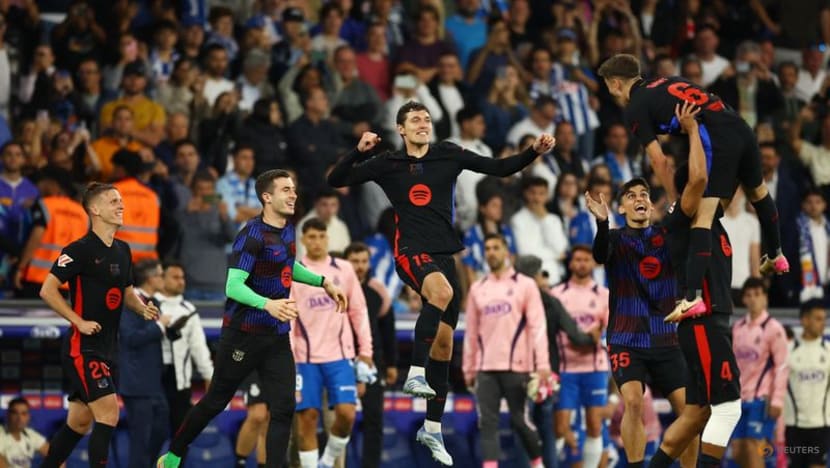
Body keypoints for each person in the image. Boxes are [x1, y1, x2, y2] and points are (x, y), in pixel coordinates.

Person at [327, 101, 554, 465]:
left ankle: (431, 428)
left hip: (445, 255)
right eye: (415, 119)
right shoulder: (389, 163)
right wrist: (357, 151)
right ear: (401, 129)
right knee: (442, 293)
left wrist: (533, 153)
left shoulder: (448, 153)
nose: (423, 123)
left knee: (446, 346)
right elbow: (335, 180)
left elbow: (497, 167)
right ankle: (415, 373)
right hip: (410, 251)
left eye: (427, 119)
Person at [156, 169, 348, 468]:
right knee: (215, 401)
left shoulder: (288, 229)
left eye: (294, 189)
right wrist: (268, 304)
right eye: (286, 189)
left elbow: (287, 266)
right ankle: (174, 454)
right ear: (266, 197)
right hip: (243, 334)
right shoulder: (252, 234)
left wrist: (323, 281)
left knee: (284, 408)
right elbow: (233, 286)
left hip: (276, 336)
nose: (293, 194)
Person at [597, 53, 788, 320]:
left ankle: (692, 297)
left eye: (608, 86)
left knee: (702, 215)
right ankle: (776, 255)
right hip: (741, 128)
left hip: (717, 139)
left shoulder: (634, 108)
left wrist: (677, 200)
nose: (611, 92)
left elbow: (659, 161)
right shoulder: (665, 81)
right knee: (758, 192)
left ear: (616, 83)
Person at [648, 102, 743, 468]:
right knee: (728, 407)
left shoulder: (712, 221)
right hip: (702, 321)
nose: (729, 189)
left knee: (696, 415)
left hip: (709, 321)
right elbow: (700, 178)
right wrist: (690, 130)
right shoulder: (686, 212)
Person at [39, 182, 160, 467]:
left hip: (109, 348)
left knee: (79, 423)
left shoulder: (123, 250)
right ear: (94, 210)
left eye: (121, 201)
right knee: (109, 415)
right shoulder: (79, 250)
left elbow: (127, 291)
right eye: (113, 201)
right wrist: (77, 321)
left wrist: (142, 309)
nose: (121, 205)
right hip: (83, 348)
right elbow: (47, 290)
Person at [588, 176, 697, 468]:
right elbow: (599, 255)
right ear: (622, 208)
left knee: (690, 413)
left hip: (666, 338)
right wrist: (602, 223)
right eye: (631, 195)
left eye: (644, 195)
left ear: (651, 205)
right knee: (633, 402)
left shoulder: (667, 237)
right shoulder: (614, 238)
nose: (639, 199)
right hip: (627, 338)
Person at [462, 233, 551, 468]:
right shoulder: (477, 289)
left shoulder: (525, 285)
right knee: (487, 423)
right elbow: (471, 333)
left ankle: (537, 463)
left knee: (520, 421)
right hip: (486, 368)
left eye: (496, 247)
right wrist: (468, 368)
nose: (491, 252)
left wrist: (542, 366)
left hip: (517, 366)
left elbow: (538, 327)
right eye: (487, 248)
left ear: (507, 252)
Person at [291, 218, 373, 468]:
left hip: (339, 356)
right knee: (308, 417)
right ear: (303, 240)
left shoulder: (344, 269)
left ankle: (326, 461)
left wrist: (366, 351)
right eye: (311, 237)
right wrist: (290, 360)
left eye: (321, 236)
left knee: (347, 414)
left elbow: (358, 311)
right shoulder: (294, 272)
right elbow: (288, 320)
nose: (317, 241)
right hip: (304, 358)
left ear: (328, 238)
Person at [550, 246, 610, 468]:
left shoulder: (604, 295)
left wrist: (598, 335)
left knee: (594, 424)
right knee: (560, 428)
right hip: (566, 369)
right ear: (571, 263)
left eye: (586, 259)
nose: (582, 263)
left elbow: (610, 331)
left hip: (595, 369)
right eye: (578, 259)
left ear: (593, 264)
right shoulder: (557, 294)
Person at [344, 241, 397, 468]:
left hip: (371, 362)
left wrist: (392, 363)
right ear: (345, 262)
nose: (360, 266)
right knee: (340, 418)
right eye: (355, 261)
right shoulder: (335, 286)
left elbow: (387, 328)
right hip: (339, 360)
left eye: (364, 261)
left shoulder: (377, 290)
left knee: (374, 419)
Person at [730, 278, 789, 468]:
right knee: (738, 451)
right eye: (749, 295)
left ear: (765, 298)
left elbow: (781, 367)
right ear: (744, 300)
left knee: (754, 447)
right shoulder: (737, 328)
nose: (753, 299)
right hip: (739, 400)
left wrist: (777, 400)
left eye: (757, 294)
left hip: (761, 399)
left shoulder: (774, 329)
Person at [119, 259, 170, 468]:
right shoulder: (132, 300)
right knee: (140, 438)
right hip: (137, 382)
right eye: (160, 274)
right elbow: (130, 337)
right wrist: (159, 327)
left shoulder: (154, 301)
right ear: (150, 278)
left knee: (161, 426)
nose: (163, 278)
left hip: (153, 381)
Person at [155, 262, 214, 443]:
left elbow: (199, 347)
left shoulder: (189, 310)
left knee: (181, 437)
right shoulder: (148, 304)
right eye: (175, 277)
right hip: (153, 378)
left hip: (180, 381)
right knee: (151, 435)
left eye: (182, 278)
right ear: (162, 279)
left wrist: (208, 375)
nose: (181, 282)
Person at [784, 300, 830, 468]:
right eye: (818, 319)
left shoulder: (828, 350)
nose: (822, 324)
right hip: (794, 426)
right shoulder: (788, 350)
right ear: (804, 320)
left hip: (821, 426)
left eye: (823, 319)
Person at [0, 398, 49, 468]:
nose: (19, 418)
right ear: (7, 415)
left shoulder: (30, 434)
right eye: (15, 413)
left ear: (28, 417)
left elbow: (56, 457)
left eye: (24, 414)